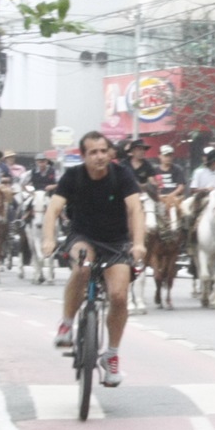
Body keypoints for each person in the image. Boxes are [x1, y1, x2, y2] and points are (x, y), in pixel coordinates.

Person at [42, 132, 146, 387]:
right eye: (93, 152)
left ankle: (110, 355)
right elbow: (53, 209)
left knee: (120, 296)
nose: (99, 157)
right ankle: (66, 324)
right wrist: (48, 239)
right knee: (82, 268)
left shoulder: (122, 175)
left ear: (110, 153)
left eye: (103, 151)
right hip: (83, 237)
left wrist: (139, 243)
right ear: (84, 155)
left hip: (116, 243)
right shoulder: (73, 177)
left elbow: (135, 209)